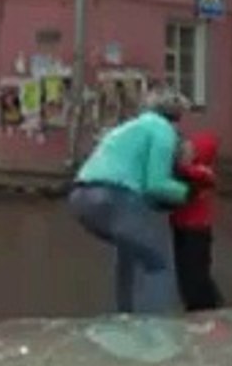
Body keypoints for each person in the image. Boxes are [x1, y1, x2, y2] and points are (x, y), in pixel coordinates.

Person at [68, 85, 191, 314]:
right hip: (115, 196)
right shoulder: (163, 130)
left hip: (80, 197)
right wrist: (187, 192)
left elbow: (142, 186)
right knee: (157, 263)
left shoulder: (129, 128)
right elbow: (155, 184)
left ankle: (124, 319)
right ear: (176, 116)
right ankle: (158, 332)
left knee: (129, 254)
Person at [171, 131, 224, 312]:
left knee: (195, 272)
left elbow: (189, 173)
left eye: (189, 150)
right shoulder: (195, 172)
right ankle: (202, 305)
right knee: (188, 271)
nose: (183, 153)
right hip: (184, 228)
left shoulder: (201, 172)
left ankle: (206, 307)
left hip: (196, 230)